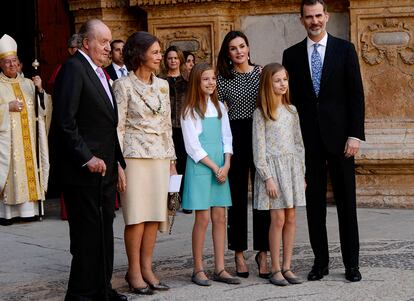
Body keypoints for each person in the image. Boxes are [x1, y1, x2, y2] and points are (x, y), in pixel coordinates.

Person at [282, 0, 365, 282]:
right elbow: (289, 103)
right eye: (309, 17)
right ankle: (321, 263)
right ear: (301, 20)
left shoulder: (345, 49)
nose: (314, 21)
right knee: (315, 206)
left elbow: (356, 95)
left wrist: (355, 135)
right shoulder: (290, 55)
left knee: (346, 205)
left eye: (318, 15)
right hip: (308, 143)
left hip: (342, 141)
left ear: (326, 16)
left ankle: (351, 264)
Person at [50, 19, 127, 300]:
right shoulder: (74, 69)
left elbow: (107, 125)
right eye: (103, 42)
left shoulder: (100, 72)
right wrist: (87, 158)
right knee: (87, 237)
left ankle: (102, 289)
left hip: (105, 170)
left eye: (110, 42)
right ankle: (82, 295)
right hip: (83, 173)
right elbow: (65, 122)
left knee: (104, 232)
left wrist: (118, 163)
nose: (109, 47)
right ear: (86, 43)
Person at [112, 31, 176, 295]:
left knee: (154, 216)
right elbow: (117, 127)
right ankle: (134, 271)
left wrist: (172, 160)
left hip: (160, 157)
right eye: (156, 52)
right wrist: (117, 164)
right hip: (133, 157)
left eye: (160, 52)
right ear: (140, 55)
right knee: (136, 217)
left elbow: (166, 126)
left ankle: (147, 268)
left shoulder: (163, 85)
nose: (160, 56)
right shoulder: (122, 86)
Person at [216, 30, 270, 278]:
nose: (239, 52)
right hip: (235, 135)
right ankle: (238, 252)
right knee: (236, 198)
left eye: (242, 46)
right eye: (233, 48)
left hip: (259, 134)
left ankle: (263, 252)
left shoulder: (262, 74)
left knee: (262, 197)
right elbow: (215, 112)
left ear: (248, 47)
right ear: (227, 53)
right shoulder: (222, 79)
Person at [181, 62, 240, 286]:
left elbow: (227, 138)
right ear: (197, 81)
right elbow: (193, 146)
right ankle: (198, 269)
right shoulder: (190, 110)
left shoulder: (220, 108)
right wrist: (215, 167)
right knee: (203, 218)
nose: (211, 83)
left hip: (220, 166)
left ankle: (220, 268)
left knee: (220, 217)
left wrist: (226, 164)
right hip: (202, 166)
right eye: (206, 79)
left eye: (213, 79)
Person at [252, 63, 306, 286]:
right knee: (278, 219)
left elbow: (298, 143)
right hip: (273, 172)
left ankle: (287, 266)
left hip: (291, 170)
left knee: (291, 218)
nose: (282, 84)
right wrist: (267, 177)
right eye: (277, 80)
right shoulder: (261, 113)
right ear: (268, 83)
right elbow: (259, 148)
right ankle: (274, 268)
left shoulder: (291, 111)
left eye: (285, 79)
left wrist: (301, 173)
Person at [0, 34, 51, 226]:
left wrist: (39, 91)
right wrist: (6, 108)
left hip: (29, 141)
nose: (11, 65)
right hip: (9, 143)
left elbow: (43, 109)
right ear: (1, 65)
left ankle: (30, 210)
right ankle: (9, 213)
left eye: (14, 61)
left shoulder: (28, 83)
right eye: (7, 62)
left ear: (19, 63)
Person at [159, 45, 191, 213]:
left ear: (180, 60)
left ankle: (185, 199)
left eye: (175, 58)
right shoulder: (159, 81)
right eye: (170, 58)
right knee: (168, 164)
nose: (172, 61)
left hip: (182, 128)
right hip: (165, 128)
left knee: (184, 163)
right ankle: (171, 199)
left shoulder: (187, 82)